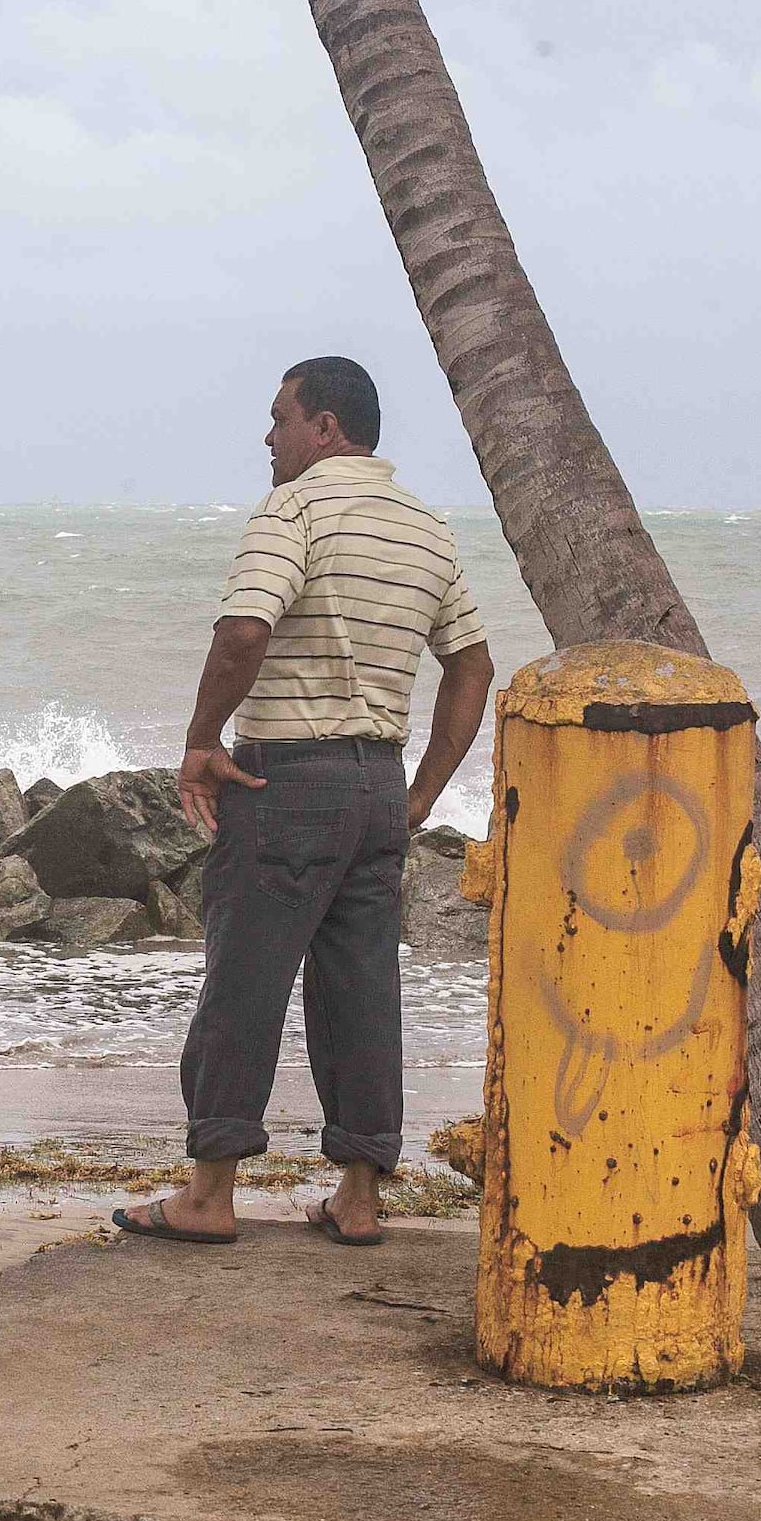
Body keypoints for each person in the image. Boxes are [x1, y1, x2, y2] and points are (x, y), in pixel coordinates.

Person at [117, 357, 494, 1247]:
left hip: (286, 780)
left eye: (280, 416)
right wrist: (423, 789)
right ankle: (359, 1198)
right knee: (363, 989)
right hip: (377, 787)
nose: (268, 435)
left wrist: (202, 741)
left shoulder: (295, 509)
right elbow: (471, 663)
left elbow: (246, 627)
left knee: (243, 981)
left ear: (325, 428)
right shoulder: (426, 527)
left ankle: (209, 1195)